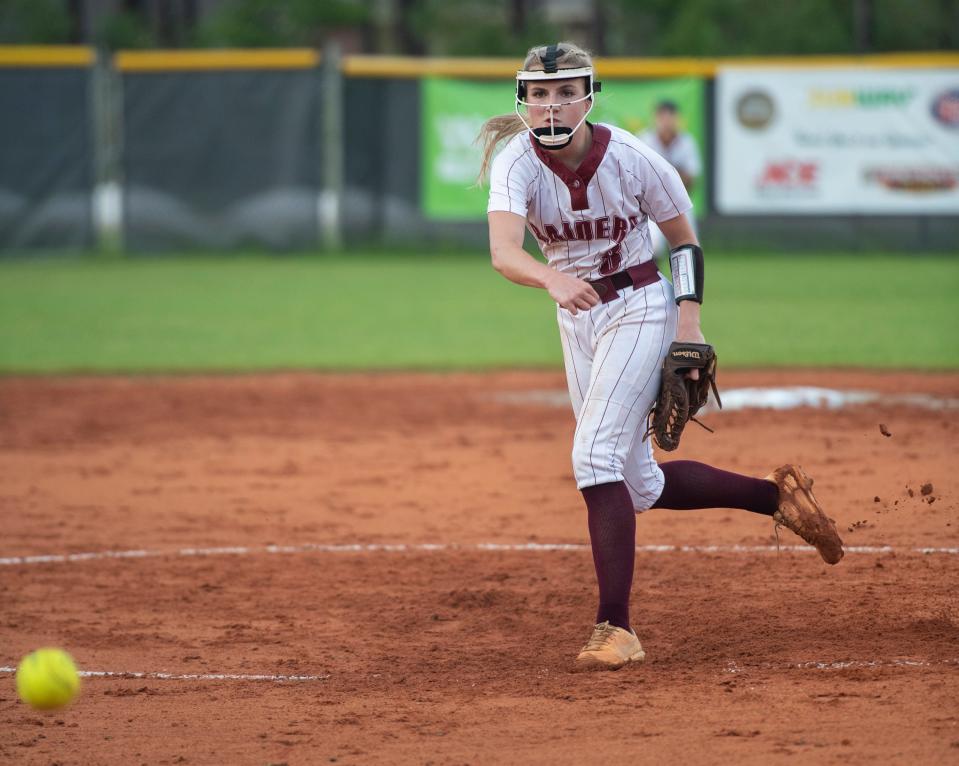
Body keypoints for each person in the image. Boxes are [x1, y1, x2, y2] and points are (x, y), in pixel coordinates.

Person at [477, 42, 844, 671]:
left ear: (590, 96)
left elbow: (683, 242)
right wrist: (551, 280)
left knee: (592, 456)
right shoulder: (517, 162)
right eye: (539, 93)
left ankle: (615, 629)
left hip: (641, 304)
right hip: (577, 314)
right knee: (638, 485)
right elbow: (504, 252)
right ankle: (775, 497)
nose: (552, 104)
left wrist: (689, 324)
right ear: (523, 99)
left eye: (566, 91)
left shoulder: (632, 156)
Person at [638, 100, 703, 258]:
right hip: (650, 203)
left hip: (679, 202)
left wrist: (661, 175)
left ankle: (688, 282)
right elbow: (638, 179)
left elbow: (691, 181)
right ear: (656, 118)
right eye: (662, 116)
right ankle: (654, 281)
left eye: (670, 116)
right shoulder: (644, 139)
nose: (666, 121)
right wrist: (672, 174)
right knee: (652, 244)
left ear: (676, 119)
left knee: (689, 247)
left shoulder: (686, 142)